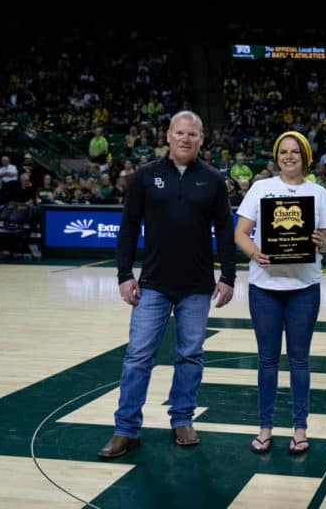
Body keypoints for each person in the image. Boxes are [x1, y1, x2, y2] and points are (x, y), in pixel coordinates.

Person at [97, 111, 236, 459]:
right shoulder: (145, 176)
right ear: (168, 136)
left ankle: (182, 419)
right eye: (180, 133)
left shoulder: (213, 179)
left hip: (197, 287)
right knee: (138, 356)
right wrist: (124, 274)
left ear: (202, 139)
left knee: (190, 355)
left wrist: (229, 277)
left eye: (192, 134)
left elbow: (224, 231)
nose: (186, 139)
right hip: (153, 284)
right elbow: (128, 227)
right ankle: (126, 429)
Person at [234, 130, 326, 455]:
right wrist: (254, 253)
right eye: (283, 152)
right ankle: (265, 428)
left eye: (295, 152)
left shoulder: (319, 193)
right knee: (266, 360)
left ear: (305, 157)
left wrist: (323, 241)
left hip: (304, 288)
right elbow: (241, 232)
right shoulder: (261, 188)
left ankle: (300, 429)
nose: (289, 156)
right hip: (265, 288)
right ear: (277, 157)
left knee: (299, 360)